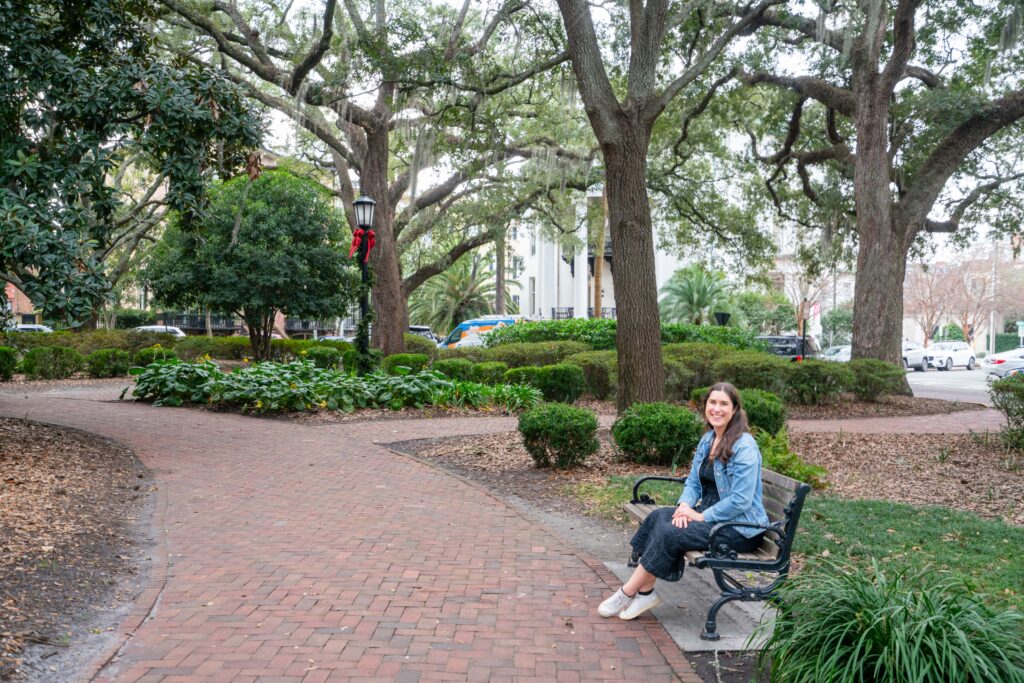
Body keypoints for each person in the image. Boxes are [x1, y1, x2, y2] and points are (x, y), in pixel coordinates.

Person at [598, 382, 769, 620]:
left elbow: (740, 501)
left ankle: (627, 592)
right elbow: (693, 483)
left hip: (739, 528)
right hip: (710, 517)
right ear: (705, 406)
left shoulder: (745, 447)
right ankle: (645, 592)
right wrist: (685, 506)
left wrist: (700, 516)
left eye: (723, 404)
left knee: (670, 533)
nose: (716, 409)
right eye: (712, 403)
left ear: (735, 409)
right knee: (658, 517)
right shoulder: (709, 439)